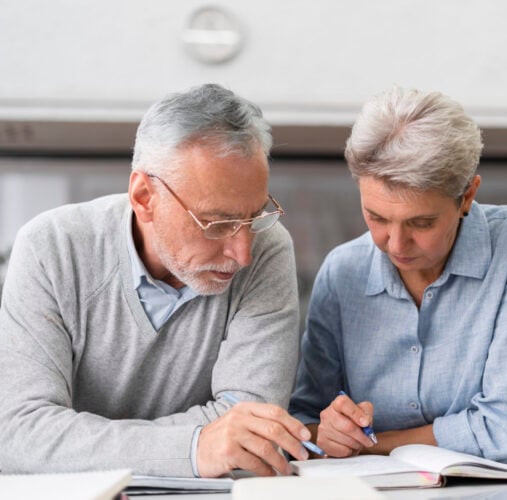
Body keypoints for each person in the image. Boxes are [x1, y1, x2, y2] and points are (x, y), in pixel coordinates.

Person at [0, 84, 312, 478]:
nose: (243, 252)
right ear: (144, 197)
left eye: (253, 217)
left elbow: (251, 439)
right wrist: (197, 447)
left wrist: (74, 442)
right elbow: (19, 435)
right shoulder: (52, 247)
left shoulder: (266, 248)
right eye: (218, 223)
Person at [289, 86, 507, 463]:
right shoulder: (343, 271)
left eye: (421, 222)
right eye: (377, 218)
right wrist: (328, 430)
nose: (397, 243)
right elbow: (305, 419)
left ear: (467, 196)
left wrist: (373, 442)